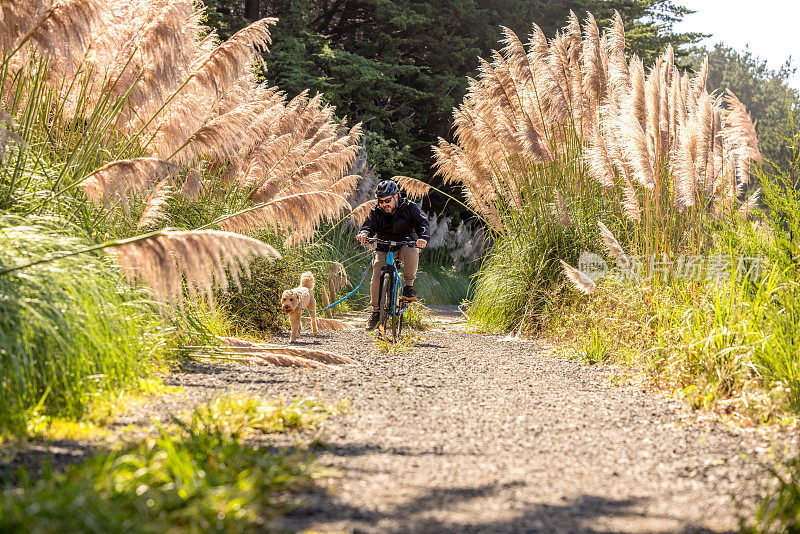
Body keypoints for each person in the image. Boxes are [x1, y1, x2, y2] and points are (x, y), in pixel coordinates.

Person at [356, 179, 429, 331]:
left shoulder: (409, 207)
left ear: (396, 196)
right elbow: (368, 226)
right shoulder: (376, 211)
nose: (384, 204)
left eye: (387, 200)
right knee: (376, 276)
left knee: (413, 251)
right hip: (383, 246)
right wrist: (364, 233)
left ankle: (408, 288)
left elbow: (422, 224)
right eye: (381, 201)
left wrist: (423, 238)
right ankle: (376, 312)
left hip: (405, 244)